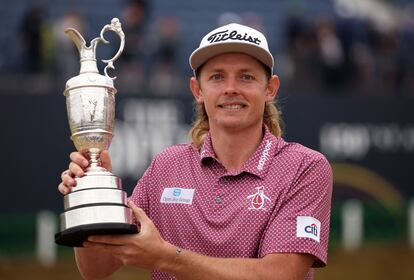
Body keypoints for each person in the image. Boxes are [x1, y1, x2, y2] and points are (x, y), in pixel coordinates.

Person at [59, 23, 333, 280]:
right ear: (197, 89)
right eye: (217, 77)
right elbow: (97, 268)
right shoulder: (167, 166)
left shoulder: (304, 167)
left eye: (246, 77)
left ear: (270, 88)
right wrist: (92, 197)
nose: (231, 89)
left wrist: (167, 257)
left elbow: (279, 274)